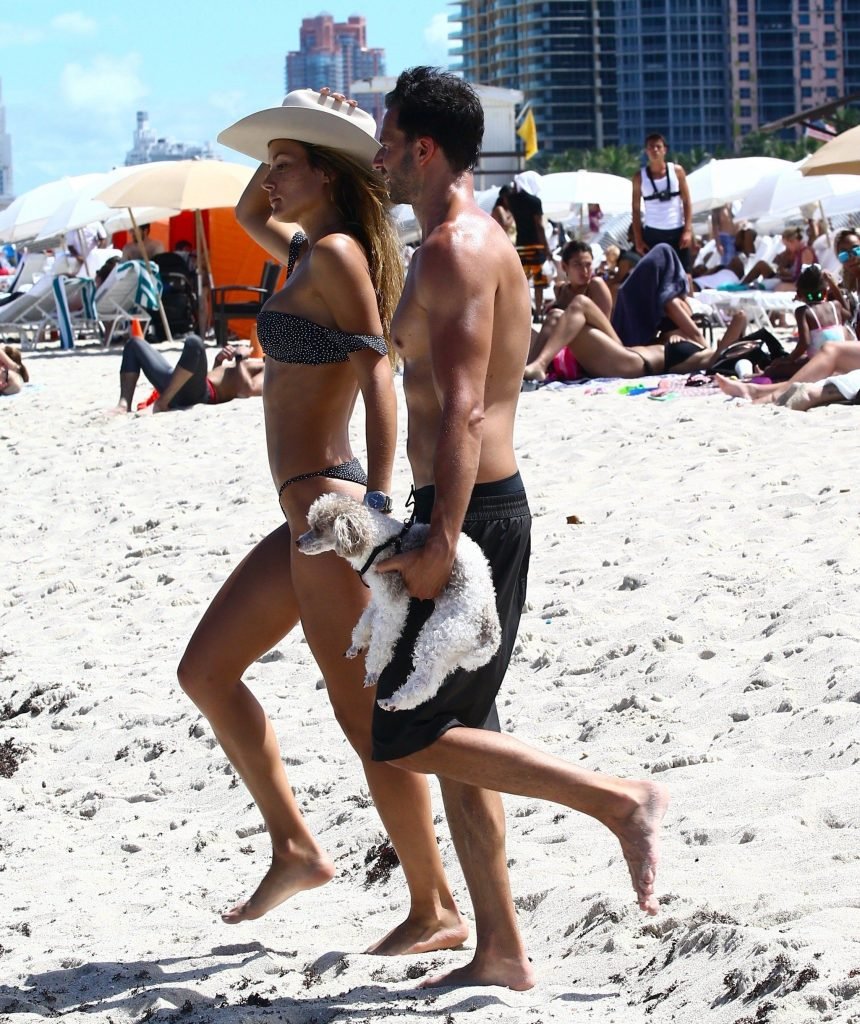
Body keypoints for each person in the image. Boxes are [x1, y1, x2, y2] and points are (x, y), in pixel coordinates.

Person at [371, 65, 668, 990]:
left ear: (425, 149)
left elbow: (463, 408)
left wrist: (439, 540)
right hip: (464, 508)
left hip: (473, 515)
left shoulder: (457, 248)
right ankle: (499, 950)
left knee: (404, 731)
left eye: (388, 140)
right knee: (467, 737)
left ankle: (617, 800)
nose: (378, 156)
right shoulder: (463, 241)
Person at [177, 87, 466, 955]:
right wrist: (289, 123)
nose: (269, 179)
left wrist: (374, 499)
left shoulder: (337, 255)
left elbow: (378, 375)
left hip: (330, 513)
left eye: (285, 165)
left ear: (327, 175)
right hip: (301, 518)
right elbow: (244, 211)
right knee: (206, 672)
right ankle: (296, 848)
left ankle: (435, 906)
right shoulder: (305, 252)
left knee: (364, 719)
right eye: (269, 164)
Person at [523, 244, 747, 382]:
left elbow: (732, 332)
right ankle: (528, 370)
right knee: (555, 316)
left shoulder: (709, 356)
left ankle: (540, 365)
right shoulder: (692, 344)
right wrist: (669, 337)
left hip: (630, 362)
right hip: (624, 355)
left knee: (580, 303)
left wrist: (738, 325)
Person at [524, 239, 612, 379]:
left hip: (598, 348)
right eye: (577, 265)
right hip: (569, 349)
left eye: (588, 265)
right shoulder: (560, 290)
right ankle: (529, 370)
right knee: (524, 331)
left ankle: (535, 366)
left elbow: (604, 329)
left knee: (556, 316)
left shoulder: (595, 285)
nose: (585, 271)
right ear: (564, 267)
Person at [113, 335, 263, 413]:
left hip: (199, 394)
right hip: (185, 385)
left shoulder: (269, 372)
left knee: (195, 343)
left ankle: (162, 403)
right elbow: (221, 378)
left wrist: (239, 357)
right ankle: (124, 405)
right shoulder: (258, 363)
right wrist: (219, 361)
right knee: (134, 344)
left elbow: (248, 389)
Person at [632, 133, 693, 272]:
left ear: (665, 150)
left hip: (677, 231)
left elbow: (687, 202)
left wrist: (687, 230)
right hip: (653, 233)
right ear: (646, 151)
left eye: (658, 147)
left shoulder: (677, 172)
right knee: (655, 274)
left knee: (685, 274)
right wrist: (638, 239)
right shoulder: (639, 177)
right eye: (651, 147)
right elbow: (635, 210)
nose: (655, 150)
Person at [507, 173, 550, 314]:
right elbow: (539, 226)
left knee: (522, 280)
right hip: (535, 245)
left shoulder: (512, 200)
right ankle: (538, 311)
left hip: (521, 244)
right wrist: (546, 247)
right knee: (538, 282)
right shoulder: (535, 202)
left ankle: (522, 311)